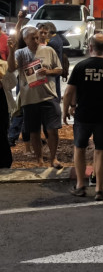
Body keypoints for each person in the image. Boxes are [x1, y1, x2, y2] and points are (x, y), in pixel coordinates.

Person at [63, 34, 103, 201]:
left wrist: (65, 110)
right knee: (101, 150)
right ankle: (99, 189)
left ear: (90, 47)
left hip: (83, 114)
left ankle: (80, 186)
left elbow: (69, 91)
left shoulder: (81, 66)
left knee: (80, 148)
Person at [7, 26, 62, 168]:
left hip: (48, 97)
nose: (37, 40)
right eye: (33, 38)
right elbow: (11, 68)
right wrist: (12, 50)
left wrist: (48, 71)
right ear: (25, 39)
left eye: (38, 37)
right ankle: (39, 160)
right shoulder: (20, 53)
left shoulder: (48, 50)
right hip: (29, 99)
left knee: (52, 130)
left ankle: (53, 158)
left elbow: (60, 69)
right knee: (34, 132)